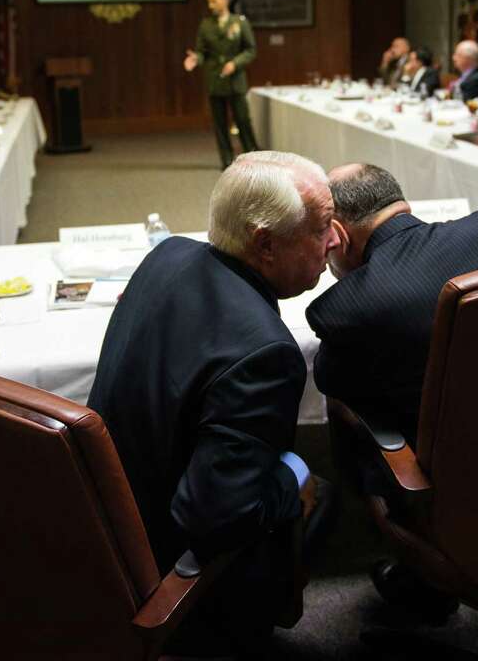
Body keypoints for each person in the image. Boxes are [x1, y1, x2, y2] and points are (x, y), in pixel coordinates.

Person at [88, 151, 338, 655]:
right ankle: (229, 635)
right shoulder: (264, 353)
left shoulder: (168, 254)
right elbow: (218, 517)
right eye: (320, 229)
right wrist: (295, 478)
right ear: (265, 244)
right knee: (319, 489)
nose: (335, 240)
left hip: (102, 518)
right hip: (163, 560)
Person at [305, 163, 478, 621]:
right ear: (401, 203)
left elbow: (332, 381)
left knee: (353, 409)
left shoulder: (350, 305)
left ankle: (421, 575)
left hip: (460, 487)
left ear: (337, 234)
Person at [184, 0, 260, 169]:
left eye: (214, 1)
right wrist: (196, 59)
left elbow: (250, 50)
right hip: (215, 79)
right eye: (209, 2)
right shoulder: (206, 25)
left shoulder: (239, 22)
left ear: (225, 1)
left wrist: (235, 63)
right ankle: (227, 160)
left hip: (235, 80)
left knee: (242, 120)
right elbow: (202, 51)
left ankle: (254, 157)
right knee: (219, 123)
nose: (210, 5)